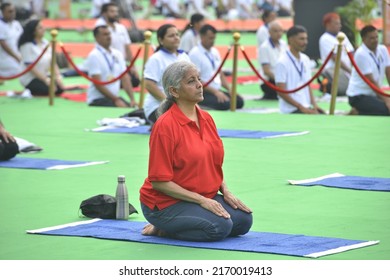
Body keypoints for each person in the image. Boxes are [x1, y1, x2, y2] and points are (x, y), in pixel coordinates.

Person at [140, 60, 253, 241]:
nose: (200, 85)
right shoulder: (165, 126)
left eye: (198, 79)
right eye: (191, 81)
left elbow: (211, 163)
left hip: (201, 194)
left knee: (243, 221)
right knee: (220, 226)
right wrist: (202, 201)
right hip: (165, 203)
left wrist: (226, 191)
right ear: (174, 91)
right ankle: (163, 226)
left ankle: (182, 222)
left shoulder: (207, 119)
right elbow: (159, 182)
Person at [189, 24, 244, 110]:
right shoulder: (195, 53)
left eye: (214, 38)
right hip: (202, 91)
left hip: (216, 88)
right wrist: (216, 92)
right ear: (202, 37)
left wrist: (230, 90)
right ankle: (200, 103)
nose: (212, 41)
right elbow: (196, 79)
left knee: (239, 101)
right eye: (210, 38)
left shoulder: (214, 51)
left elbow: (220, 73)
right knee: (226, 104)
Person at [143, 24, 190, 123]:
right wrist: (170, 102)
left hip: (181, 104)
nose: (176, 38)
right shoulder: (156, 59)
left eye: (177, 35)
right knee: (180, 122)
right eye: (171, 36)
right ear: (161, 40)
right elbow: (149, 84)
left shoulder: (184, 56)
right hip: (158, 106)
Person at [275, 25, 325, 114]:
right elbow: (281, 92)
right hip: (291, 110)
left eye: (306, 39)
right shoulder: (282, 62)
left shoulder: (305, 59)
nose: (305, 42)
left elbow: (307, 85)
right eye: (301, 39)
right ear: (290, 40)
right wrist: (300, 107)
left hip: (305, 106)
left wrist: (315, 105)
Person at [85, 25, 137, 107]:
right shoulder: (94, 55)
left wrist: (132, 99)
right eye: (105, 34)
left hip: (113, 98)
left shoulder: (117, 54)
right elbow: (97, 83)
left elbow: (125, 78)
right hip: (97, 99)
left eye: (109, 34)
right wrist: (115, 99)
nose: (109, 37)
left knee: (134, 108)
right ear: (97, 38)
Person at [346, 25, 390, 116]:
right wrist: (387, 100)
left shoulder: (383, 49)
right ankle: (357, 112)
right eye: (371, 38)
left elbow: (388, 73)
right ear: (363, 39)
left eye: (377, 37)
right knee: (386, 110)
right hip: (358, 96)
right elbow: (371, 81)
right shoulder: (361, 54)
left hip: (374, 94)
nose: (375, 40)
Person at [95, 2, 140, 88]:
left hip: (121, 63)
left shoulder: (121, 28)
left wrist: (132, 67)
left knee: (135, 81)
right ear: (104, 13)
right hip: (106, 63)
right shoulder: (100, 27)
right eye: (112, 11)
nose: (115, 14)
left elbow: (127, 48)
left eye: (116, 11)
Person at [18, 19, 65, 96]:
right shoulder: (27, 46)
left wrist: (58, 77)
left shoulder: (45, 42)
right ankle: (30, 91)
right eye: (40, 28)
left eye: (43, 27)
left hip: (44, 74)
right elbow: (30, 67)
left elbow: (52, 62)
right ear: (33, 31)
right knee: (49, 91)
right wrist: (46, 80)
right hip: (31, 78)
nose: (44, 29)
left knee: (59, 89)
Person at [0, 2, 31, 98]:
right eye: (9, 11)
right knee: (23, 71)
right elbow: (4, 45)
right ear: (2, 12)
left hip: (18, 55)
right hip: (5, 58)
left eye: (13, 11)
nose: (13, 13)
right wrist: (17, 57)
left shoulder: (16, 24)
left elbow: (23, 39)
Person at [319, 12, 354, 96]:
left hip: (347, 70)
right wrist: (350, 71)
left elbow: (351, 52)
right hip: (333, 71)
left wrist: (355, 69)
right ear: (328, 24)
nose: (339, 25)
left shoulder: (342, 36)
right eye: (336, 23)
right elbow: (335, 58)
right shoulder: (325, 39)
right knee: (344, 90)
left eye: (339, 23)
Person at [258, 20, 287, 100]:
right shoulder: (264, 47)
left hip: (282, 78)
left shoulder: (284, 44)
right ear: (269, 32)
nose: (279, 33)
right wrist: (281, 81)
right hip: (270, 81)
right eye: (275, 31)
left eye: (281, 31)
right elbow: (266, 71)